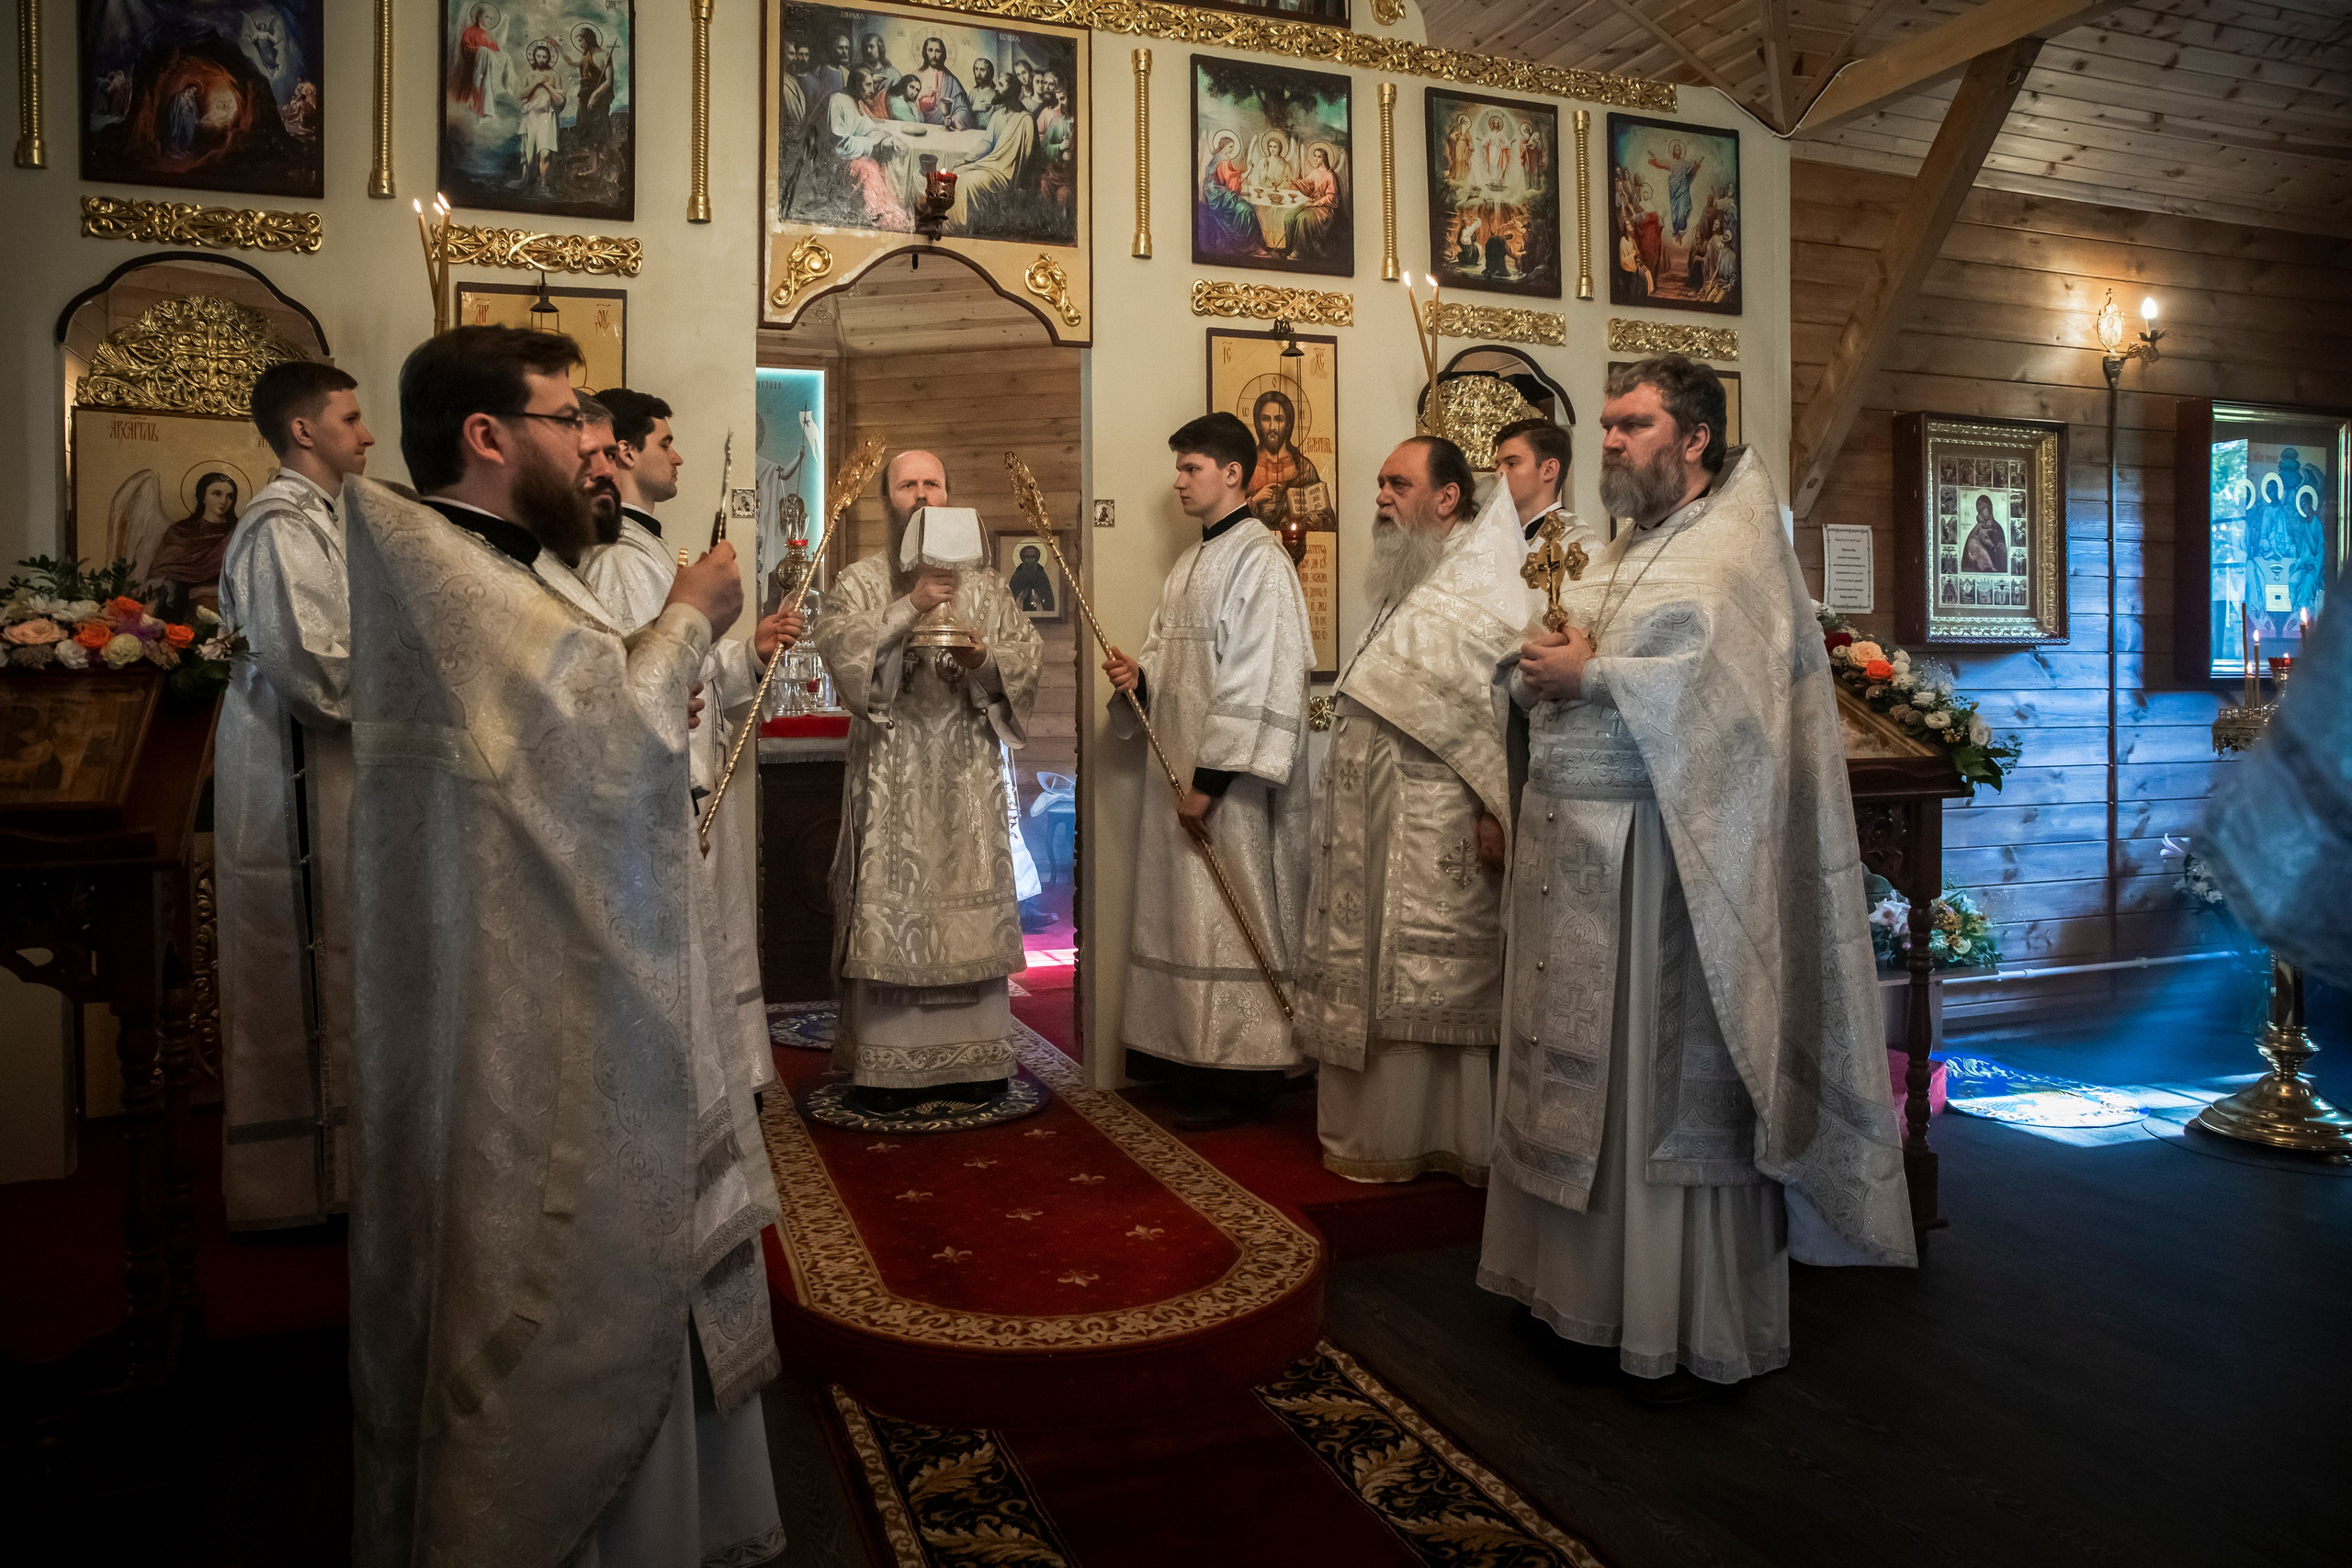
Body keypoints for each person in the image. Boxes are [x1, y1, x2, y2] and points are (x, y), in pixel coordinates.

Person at [345, 324, 785, 1564]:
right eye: (568, 413)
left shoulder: (499, 562)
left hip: (563, 962)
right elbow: (606, 742)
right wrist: (691, 621)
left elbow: (581, 729)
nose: (594, 439)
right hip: (535, 1010)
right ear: (489, 438)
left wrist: (659, 667)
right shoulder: (453, 570)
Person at [1479, 355, 1917, 1405]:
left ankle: (1670, 1313)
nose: (1613, 442)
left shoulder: (1729, 559)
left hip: (1669, 873)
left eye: (1633, 425)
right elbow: (1546, 669)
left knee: (1651, 1097)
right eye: (1611, 426)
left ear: (1693, 440)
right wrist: (1533, 666)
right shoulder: (1614, 548)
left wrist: (1595, 676)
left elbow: (1733, 718)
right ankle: (1570, 1294)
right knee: (1581, 1084)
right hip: (1574, 864)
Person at [1294, 436, 1522, 1184]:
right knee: (1373, 968)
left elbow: (1500, 713)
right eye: (1380, 482)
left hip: (1439, 819)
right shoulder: (1412, 575)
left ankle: (1446, 1136)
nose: (1382, 497)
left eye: (1398, 482)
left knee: (1433, 976)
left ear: (1448, 497)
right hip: (1379, 814)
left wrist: (1498, 807)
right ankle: (1375, 1134)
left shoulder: (1484, 583)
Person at [582, 386, 801, 1100]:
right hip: (669, 785)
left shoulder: (650, 553)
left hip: (694, 774)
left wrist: (753, 650)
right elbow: (639, 683)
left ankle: (722, 1083)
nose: (678, 454)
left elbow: (695, 667)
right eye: (665, 442)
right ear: (623, 451)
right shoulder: (619, 562)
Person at [810, 451, 1044, 1113]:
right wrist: (907, 606)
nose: (921, 495)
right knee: (892, 906)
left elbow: (1025, 658)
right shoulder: (861, 581)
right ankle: (887, 1067)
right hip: (892, 778)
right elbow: (844, 651)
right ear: (888, 500)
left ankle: (975, 1060)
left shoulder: (987, 586)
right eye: (906, 485)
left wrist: (985, 660)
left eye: (933, 483)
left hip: (967, 782)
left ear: (950, 494)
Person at [1102, 413, 1314, 1128]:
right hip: (1182, 776)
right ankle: (1190, 1059)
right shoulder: (1191, 563)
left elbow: (1260, 682)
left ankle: (1243, 1070)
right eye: (1180, 468)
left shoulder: (1261, 561)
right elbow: (1174, 660)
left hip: (1229, 794)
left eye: (1191, 468)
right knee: (1187, 916)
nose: (1179, 481)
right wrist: (1142, 675)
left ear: (1234, 474)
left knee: (1234, 908)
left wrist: (1210, 783)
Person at [214, 361, 373, 1231]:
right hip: (296, 784)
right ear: (303, 431)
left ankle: (345, 1176)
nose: (369, 433)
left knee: (344, 958)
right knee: (306, 963)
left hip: (338, 778)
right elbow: (319, 673)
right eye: (351, 418)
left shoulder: (326, 521)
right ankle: (299, 1189)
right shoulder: (279, 528)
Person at [149, 470, 241, 615]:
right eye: (217, 494)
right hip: (183, 605)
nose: (224, 501)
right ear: (202, 496)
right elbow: (165, 570)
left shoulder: (238, 531)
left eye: (230, 496)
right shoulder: (180, 531)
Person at [1246, 389, 1323, 527]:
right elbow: (1229, 513)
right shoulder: (1248, 465)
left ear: (1288, 424)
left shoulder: (1303, 466)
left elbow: (1324, 513)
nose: (1272, 427)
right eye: (1266, 419)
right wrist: (1255, 499)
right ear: (1258, 423)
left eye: (1279, 419)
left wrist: (1317, 520)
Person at [1960, 491, 2007, 574]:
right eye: (1979, 510)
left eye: (1983, 508)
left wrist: (1991, 545)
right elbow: (1967, 556)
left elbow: (2002, 555)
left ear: (1990, 508)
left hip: (1993, 571)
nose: (1981, 512)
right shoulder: (1977, 529)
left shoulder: (1997, 529)